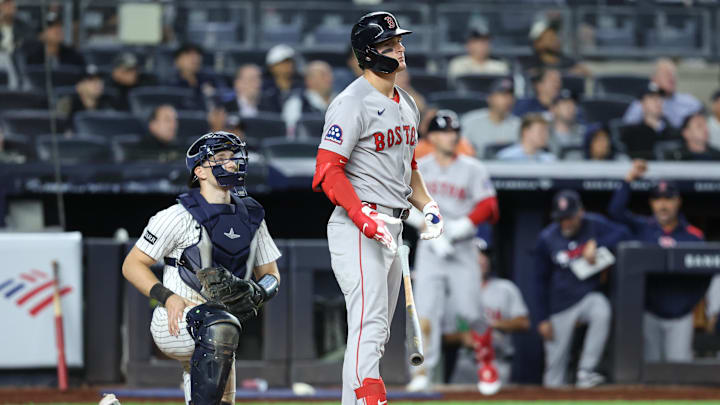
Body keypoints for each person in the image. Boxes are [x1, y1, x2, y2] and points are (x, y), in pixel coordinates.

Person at [311, 12, 443, 405]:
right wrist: (360, 216)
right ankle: (370, 399)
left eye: (399, 43)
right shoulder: (351, 102)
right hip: (358, 224)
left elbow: (409, 166)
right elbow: (326, 172)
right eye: (389, 45)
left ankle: (357, 401)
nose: (400, 50)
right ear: (368, 54)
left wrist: (428, 204)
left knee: (377, 331)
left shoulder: (405, 102)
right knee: (369, 325)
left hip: (393, 225)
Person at [122, 131, 281, 404]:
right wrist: (166, 296)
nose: (231, 164)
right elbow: (132, 264)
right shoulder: (177, 216)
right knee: (219, 327)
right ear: (200, 171)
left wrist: (258, 292)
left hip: (222, 329)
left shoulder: (252, 216)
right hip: (175, 320)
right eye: (221, 159)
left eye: (233, 158)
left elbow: (271, 275)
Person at [403, 110, 499, 392]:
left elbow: (489, 205)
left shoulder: (472, 167)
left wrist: (462, 226)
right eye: (444, 132)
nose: (451, 136)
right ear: (432, 137)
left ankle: (486, 362)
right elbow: (401, 202)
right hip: (431, 248)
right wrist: (428, 225)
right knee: (424, 313)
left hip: (462, 247)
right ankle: (420, 373)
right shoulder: (419, 166)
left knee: (471, 312)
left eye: (454, 131)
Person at [608, 160, 707, 362]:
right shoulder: (643, 228)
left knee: (679, 373)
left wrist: (687, 304)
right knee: (649, 373)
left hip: (680, 315)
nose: (663, 205)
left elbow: (704, 277)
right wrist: (629, 179)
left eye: (668, 199)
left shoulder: (693, 235)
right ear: (652, 203)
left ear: (678, 201)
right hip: (649, 312)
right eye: (658, 199)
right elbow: (615, 211)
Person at [532, 190, 628, 388]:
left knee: (601, 309)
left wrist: (598, 243)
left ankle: (586, 371)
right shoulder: (547, 237)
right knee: (554, 372)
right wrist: (542, 318)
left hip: (586, 296)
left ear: (580, 212)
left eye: (569, 217)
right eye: (561, 219)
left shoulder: (594, 224)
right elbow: (539, 280)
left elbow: (624, 232)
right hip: (559, 304)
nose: (565, 223)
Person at [444, 233, 529, 387]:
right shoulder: (453, 294)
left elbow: (523, 323)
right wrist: (462, 337)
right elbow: (442, 336)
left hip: (498, 361)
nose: (482, 260)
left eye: (484, 255)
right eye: (475, 256)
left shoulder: (505, 288)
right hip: (465, 363)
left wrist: (493, 324)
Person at [622, 58, 702, 130]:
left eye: (673, 75)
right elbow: (627, 127)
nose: (671, 78)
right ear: (654, 79)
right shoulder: (642, 104)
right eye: (667, 74)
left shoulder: (690, 102)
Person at [461, 78, 520, 158]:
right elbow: (461, 151)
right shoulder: (470, 121)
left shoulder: (519, 124)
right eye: (503, 95)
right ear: (490, 98)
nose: (508, 100)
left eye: (511, 96)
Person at [620, 82, 678, 160]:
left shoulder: (673, 131)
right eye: (652, 97)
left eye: (660, 97)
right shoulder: (632, 133)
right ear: (642, 103)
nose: (658, 101)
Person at [520, 18, 590, 77]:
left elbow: (585, 73)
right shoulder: (530, 63)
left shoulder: (567, 61)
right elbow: (530, 74)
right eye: (549, 37)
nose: (554, 39)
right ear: (537, 43)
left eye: (554, 35)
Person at [282, 60, 335, 135]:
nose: (329, 78)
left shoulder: (340, 100)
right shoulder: (297, 103)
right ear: (309, 80)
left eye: (330, 74)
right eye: (323, 75)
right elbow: (290, 134)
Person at [263, 44, 303, 111]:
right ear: (271, 67)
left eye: (291, 62)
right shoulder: (264, 89)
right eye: (283, 62)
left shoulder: (302, 86)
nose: (289, 65)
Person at [548, 89, 585, 156]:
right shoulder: (543, 133)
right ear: (553, 109)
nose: (570, 108)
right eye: (565, 104)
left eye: (573, 104)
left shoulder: (583, 134)